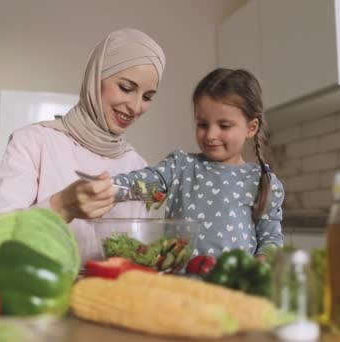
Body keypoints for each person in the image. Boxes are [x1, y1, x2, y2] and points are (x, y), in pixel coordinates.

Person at [0, 28, 166, 262]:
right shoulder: (33, 142)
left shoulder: (137, 166)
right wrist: (62, 206)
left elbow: (136, 253)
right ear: (96, 77)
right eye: (126, 88)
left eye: (148, 97)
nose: (136, 106)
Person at [111, 68, 284, 259]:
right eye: (202, 124)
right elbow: (145, 186)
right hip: (178, 285)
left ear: (251, 128)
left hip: (232, 286)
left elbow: (270, 239)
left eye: (224, 126)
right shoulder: (180, 166)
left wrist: (261, 264)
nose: (210, 135)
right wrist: (110, 188)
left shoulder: (261, 182)